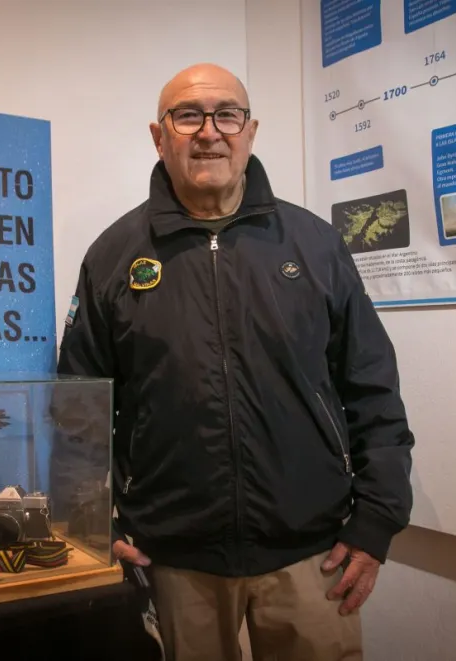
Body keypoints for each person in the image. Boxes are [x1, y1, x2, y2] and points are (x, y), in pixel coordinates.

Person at [55, 63, 414, 661]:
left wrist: (375, 523)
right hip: (173, 561)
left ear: (249, 131)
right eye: (188, 115)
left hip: (311, 556)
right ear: (158, 135)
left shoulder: (315, 246)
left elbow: (372, 390)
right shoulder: (114, 256)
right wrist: (92, 523)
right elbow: (77, 406)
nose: (209, 132)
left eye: (227, 115)